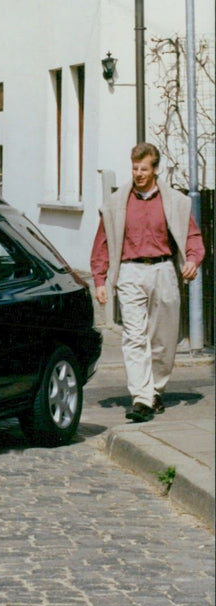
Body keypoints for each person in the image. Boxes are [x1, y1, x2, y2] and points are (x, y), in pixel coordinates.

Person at [90, 142, 205, 422]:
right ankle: (141, 398)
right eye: (134, 168)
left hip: (164, 270)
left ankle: (156, 390)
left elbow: (192, 237)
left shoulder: (175, 202)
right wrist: (100, 280)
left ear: (155, 169)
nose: (138, 173)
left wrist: (192, 260)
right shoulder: (116, 204)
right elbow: (102, 243)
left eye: (143, 168)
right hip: (130, 272)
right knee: (134, 336)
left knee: (163, 339)